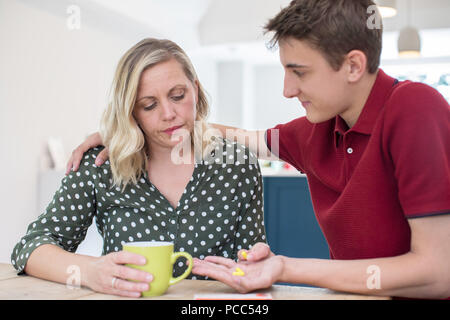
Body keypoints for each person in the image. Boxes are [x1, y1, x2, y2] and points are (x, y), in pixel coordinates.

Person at [69, 0, 450, 299]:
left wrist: (284, 268)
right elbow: (232, 135)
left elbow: (438, 273)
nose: (287, 89)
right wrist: (127, 127)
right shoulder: (313, 133)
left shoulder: (414, 108)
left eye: (299, 72)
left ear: (353, 65)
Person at [11, 38, 266, 298]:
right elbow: (30, 248)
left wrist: (257, 268)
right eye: (149, 105)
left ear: (196, 91)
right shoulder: (100, 166)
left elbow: (253, 267)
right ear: (131, 112)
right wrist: (90, 271)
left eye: (178, 96)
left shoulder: (236, 165)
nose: (168, 113)